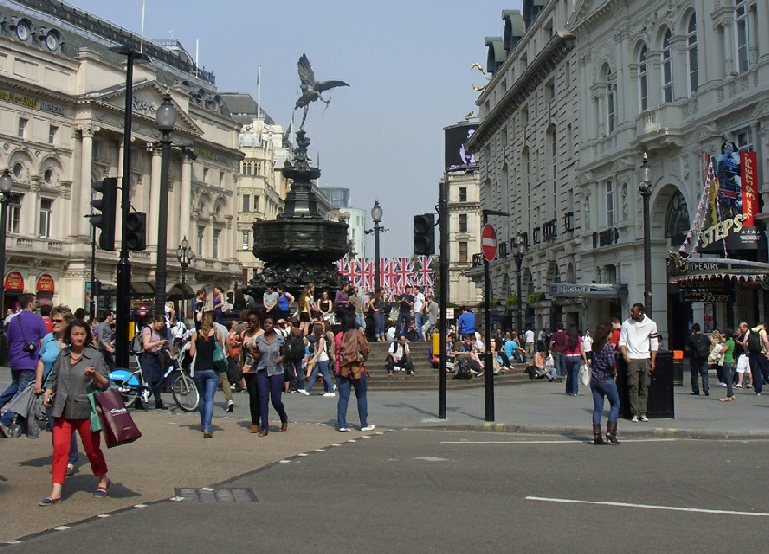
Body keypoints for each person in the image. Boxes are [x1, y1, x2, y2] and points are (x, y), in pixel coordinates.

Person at [40, 319, 111, 505]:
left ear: (87, 336)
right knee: (60, 450)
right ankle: (56, 492)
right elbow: (53, 378)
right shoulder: (62, 355)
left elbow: (105, 384)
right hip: (62, 409)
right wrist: (47, 393)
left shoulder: (94, 356)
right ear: (69, 335)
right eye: (75, 334)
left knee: (91, 450)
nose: (78, 337)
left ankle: (103, 478)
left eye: (82, 334)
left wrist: (94, 374)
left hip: (85, 409)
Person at [35, 306, 78, 475]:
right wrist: (39, 382)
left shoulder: (72, 341)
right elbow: (41, 360)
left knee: (66, 424)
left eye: (58, 321)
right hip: (49, 389)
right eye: (53, 320)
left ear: (67, 323)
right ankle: (60, 456)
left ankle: (70, 459)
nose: (54, 323)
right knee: (54, 426)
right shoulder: (47, 339)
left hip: (68, 389)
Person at [0, 293, 48, 436]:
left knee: (14, 385)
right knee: (23, 392)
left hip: (15, 359)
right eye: (35, 301)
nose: (36, 304)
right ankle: (6, 420)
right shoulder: (37, 320)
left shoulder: (13, 320)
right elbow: (44, 340)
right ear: (29, 304)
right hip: (30, 359)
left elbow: (8, 339)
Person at [618, 303, 658, 423]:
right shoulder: (626, 324)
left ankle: (643, 412)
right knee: (633, 386)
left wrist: (652, 360)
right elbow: (622, 341)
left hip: (645, 357)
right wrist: (625, 355)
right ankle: (635, 412)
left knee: (644, 387)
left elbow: (654, 343)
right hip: (632, 358)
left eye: (633, 311)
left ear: (640, 312)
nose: (631, 313)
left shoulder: (651, 324)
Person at [336, 310, 374, 432]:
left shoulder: (338, 336)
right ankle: (363, 424)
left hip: (342, 368)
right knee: (361, 395)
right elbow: (365, 349)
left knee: (343, 397)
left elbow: (334, 352)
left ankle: (342, 424)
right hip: (357, 368)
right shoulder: (357, 334)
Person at [254, 315, 289, 436]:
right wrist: (251, 353)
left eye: (269, 323)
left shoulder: (279, 339)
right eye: (265, 323)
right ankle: (264, 427)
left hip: (276, 372)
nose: (267, 325)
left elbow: (285, 354)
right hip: (262, 370)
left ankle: (283, 417)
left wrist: (281, 358)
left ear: (273, 324)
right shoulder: (259, 339)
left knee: (276, 400)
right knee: (263, 399)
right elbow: (258, 355)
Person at [189, 312, 221, 438]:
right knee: (209, 399)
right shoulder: (216, 333)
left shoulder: (196, 333)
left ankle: (203, 423)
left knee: (202, 397)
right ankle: (207, 427)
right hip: (212, 369)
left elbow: (192, 353)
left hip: (198, 369)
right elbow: (220, 349)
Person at [589, 322, 620, 445]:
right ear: (607, 333)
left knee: (597, 408)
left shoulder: (594, 345)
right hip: (606, 379)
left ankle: (597, 435)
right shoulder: (607, 346)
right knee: (615, 403)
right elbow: (611, 363)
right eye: (611, 332)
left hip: (595, 379)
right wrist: (615, 372)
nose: (612, 334)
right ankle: (611, 432)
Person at [139, 315, 170, 410]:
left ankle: (158, 401)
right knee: (148, 379)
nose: (161, 327)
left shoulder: (156, 331)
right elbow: (146, 345)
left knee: (158, 379)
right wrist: (158, 343)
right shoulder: (147, 330)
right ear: (155, 321)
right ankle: (139, 400)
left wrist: (160, 347)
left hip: (155, 356)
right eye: (160, 324)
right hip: (147, 357)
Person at [240, 310, 263, 433]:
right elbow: (241, 352)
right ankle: (255, 422)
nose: (251, 323)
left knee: (261, 396)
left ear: (259, 322)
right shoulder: (244, 334)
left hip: (260, 368)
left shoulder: (262, 334)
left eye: (253, 321)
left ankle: (262, 420)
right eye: (249, 321)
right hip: (248, 369)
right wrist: (241, 366)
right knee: (253, 396)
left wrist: (253, 351)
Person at [300, 323, 336, 397]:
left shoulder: (321, 339)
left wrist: (313, 359)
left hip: (323, 360)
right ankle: (307, 390)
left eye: (314, 328)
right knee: (313, 375)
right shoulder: (317, 339)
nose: (312, 329)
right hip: (319, 360)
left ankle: (332, 389)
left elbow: (320, 351)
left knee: (326, 375)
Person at [685, 323, 711, 396]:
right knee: (705, 374)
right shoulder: (705, 337)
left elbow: (686, 348)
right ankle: (706, 388)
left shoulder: (691, 338)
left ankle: (696, 390)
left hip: (694, 358)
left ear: (694, 330)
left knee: (694, 374)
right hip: (704, 358)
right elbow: (709, 345)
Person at [745, 322, 769, 396]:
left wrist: (746, 352)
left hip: (752, 354)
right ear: (764, 327)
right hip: (761, 353)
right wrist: (768, 351)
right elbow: (765, 341)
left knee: (755, 372)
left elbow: (744, 342)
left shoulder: (749, 331)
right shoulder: (762, 331)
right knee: (766, 370)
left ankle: (758, 390)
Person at [564, 327, 587, 396]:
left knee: (569, 374)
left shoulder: (566, 338)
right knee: (575, 375)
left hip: (568, 357)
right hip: (577, 357)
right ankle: (574, 391)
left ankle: (568, 390)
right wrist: (585, 359)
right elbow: (582, 350)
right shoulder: (579, 338)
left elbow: (564, 347)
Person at [720, 328, 736, 402]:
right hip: (732, 360)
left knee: (727, 379)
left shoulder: (728, 342)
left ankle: (729, 395)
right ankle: (731, 394)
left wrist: (719, 350)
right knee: (729, 378)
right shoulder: (732, 341)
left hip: (727, 360)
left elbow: (723, 350)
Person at [734, 321, 752, 389]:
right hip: (750, 354)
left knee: (740, 369)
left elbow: (745, 344)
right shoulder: (750, 333)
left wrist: (738, 342)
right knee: (749, 369)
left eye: (741, 327)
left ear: (745, 327)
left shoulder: (746, 334)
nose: (740, 329)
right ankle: (750, 383)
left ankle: (740, 383)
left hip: (744, 353)